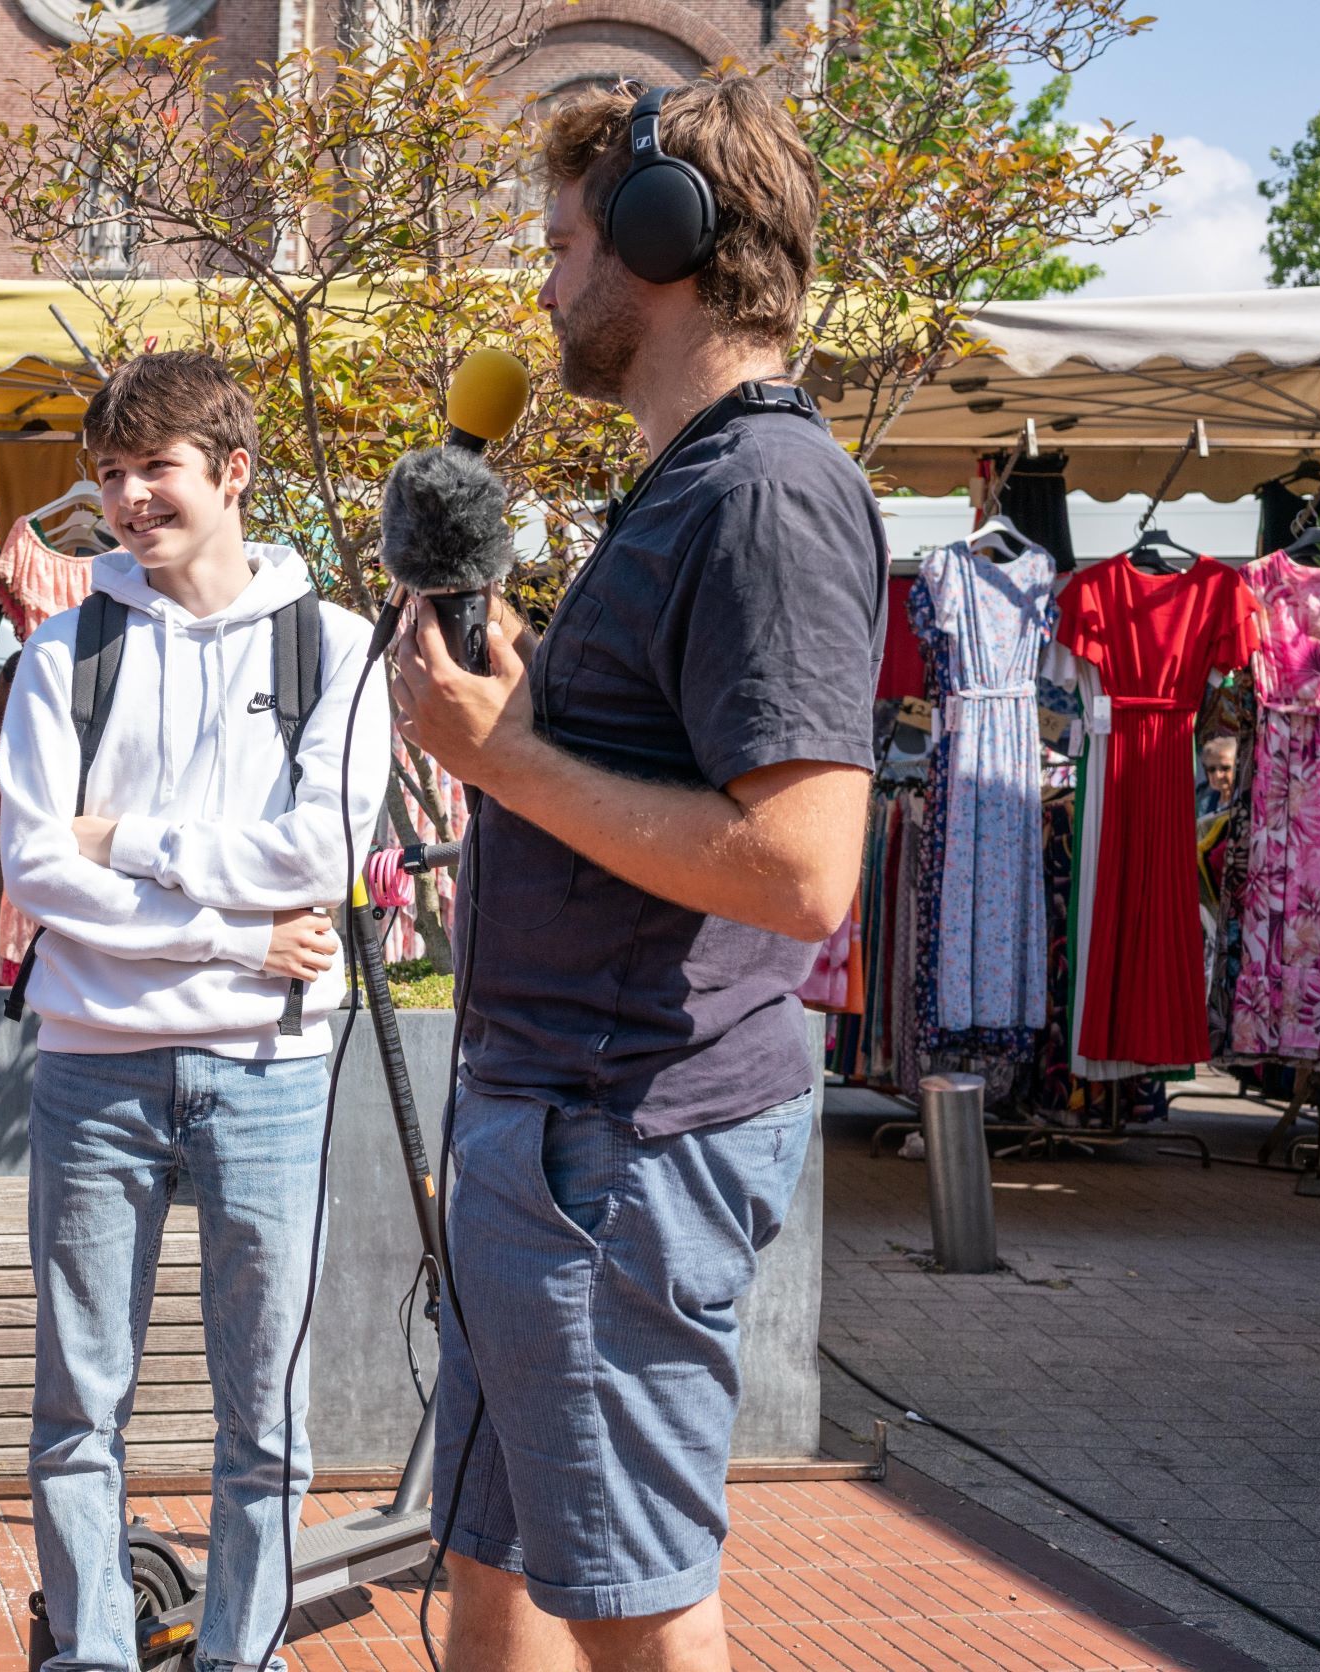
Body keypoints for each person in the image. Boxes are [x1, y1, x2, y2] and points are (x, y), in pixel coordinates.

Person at [391, 78, 882, 1672]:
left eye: (558, 245)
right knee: (498, 1564)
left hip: (619, 1146)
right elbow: (658, 774)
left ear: (661, 241)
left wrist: (505, 760)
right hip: (551, 1128)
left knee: (632, 1602)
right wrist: (522, 709)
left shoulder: (762, 496)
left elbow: (804, 872)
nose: (539, 291)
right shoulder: (685, 482)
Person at [0, 351, 388, 1672]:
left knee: (264, 1422)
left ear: (230, 471)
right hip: (90, 1071)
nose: (126, 498)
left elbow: (319, 855)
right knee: (74, 1411)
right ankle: (90, 1655)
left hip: (270, 1078)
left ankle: (242, 1656)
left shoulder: (329, 648)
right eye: (107, 474)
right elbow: (38, 869)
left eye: (152, 467)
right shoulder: (65, 653)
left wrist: (133, 844)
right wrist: (229, 927)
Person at [1197, 734, 1238, 815]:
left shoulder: (1247, 803)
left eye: (1225, 768)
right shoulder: (1204, 804)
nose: (1218, 775)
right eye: (1211, 769)